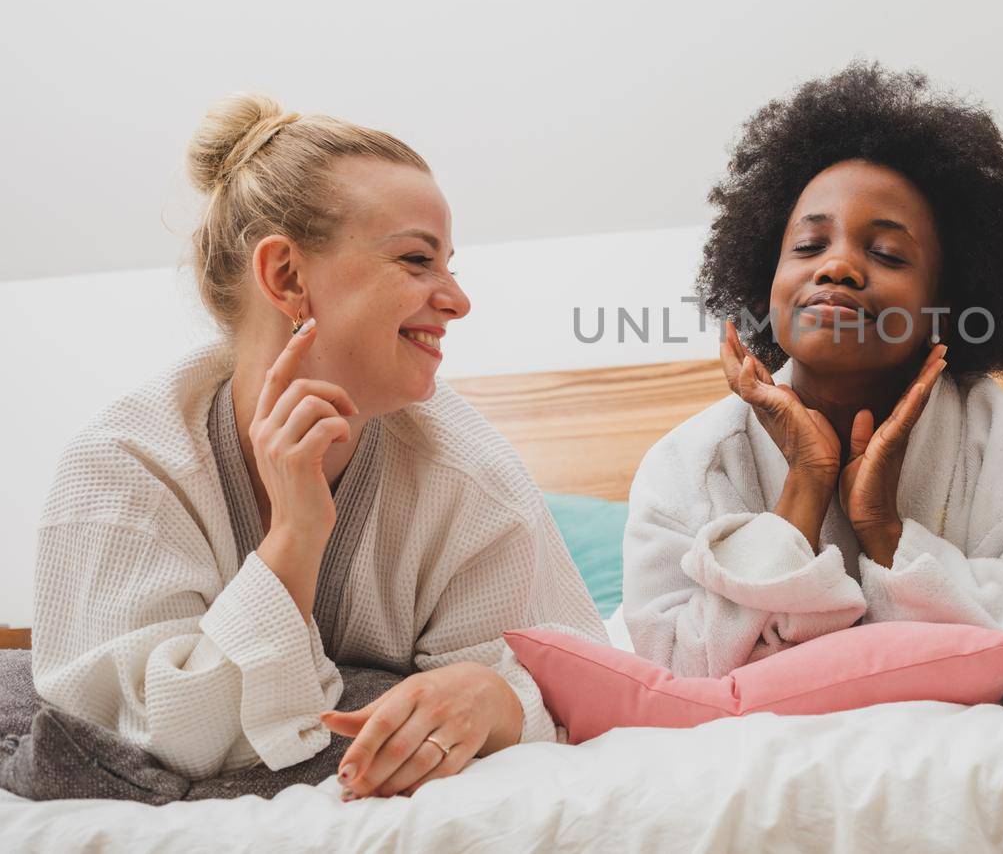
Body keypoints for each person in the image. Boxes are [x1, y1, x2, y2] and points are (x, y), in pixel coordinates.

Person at [31, 95, 603, 799]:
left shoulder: (471, 477)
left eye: (450, 265)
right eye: (418, 259)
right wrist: (294, 538)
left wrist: (494, 698)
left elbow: (582, 686)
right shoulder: (121, 470)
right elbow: (135, 732)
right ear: (287, 277)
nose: (457, 299)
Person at [623, 62, 1003, 681]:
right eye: (807, 247)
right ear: (764, 283)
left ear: (948, 306)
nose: (837, 267)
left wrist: (884, 531)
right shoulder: (692, 465)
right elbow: (670, 674)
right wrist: (803, 493)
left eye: (886, 253)